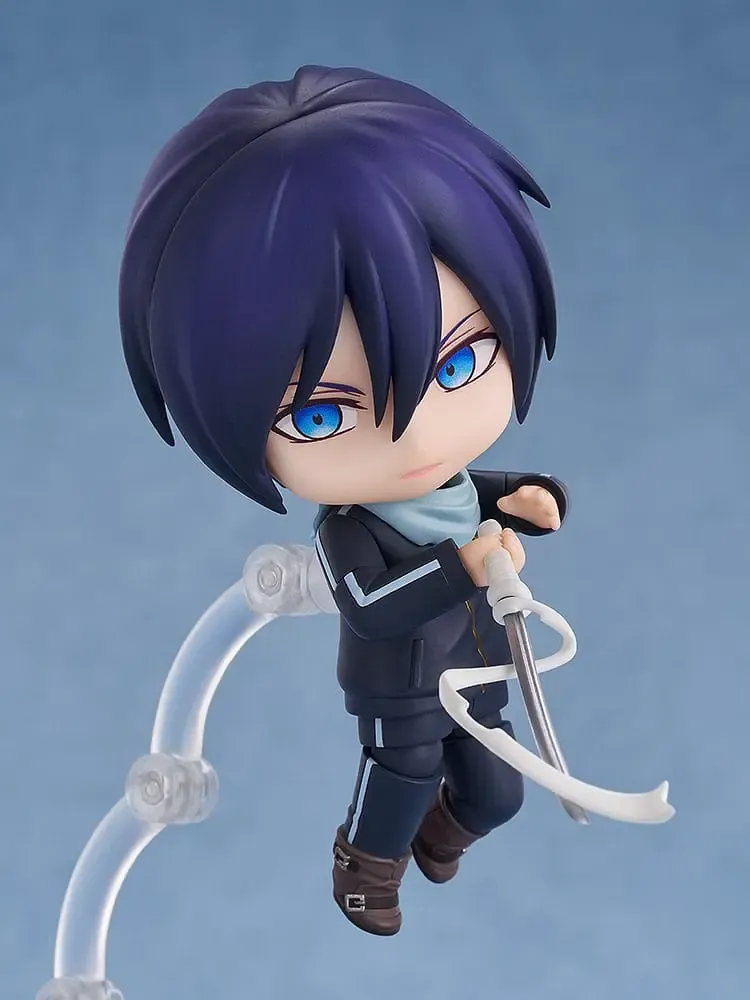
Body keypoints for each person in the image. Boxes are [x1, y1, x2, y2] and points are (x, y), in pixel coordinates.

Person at [119, 64, 568, 936]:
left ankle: (446, 836)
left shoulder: (442, 483)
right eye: (322, 414)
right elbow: (369, 602)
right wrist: (464, 564)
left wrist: (526, 498)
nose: (416, 440)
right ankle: (364, 872)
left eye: (460, 361)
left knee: (499, 793)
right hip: (400, 689)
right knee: (401, 779)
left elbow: (466, 492)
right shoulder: (347, 532)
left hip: (478, 663)